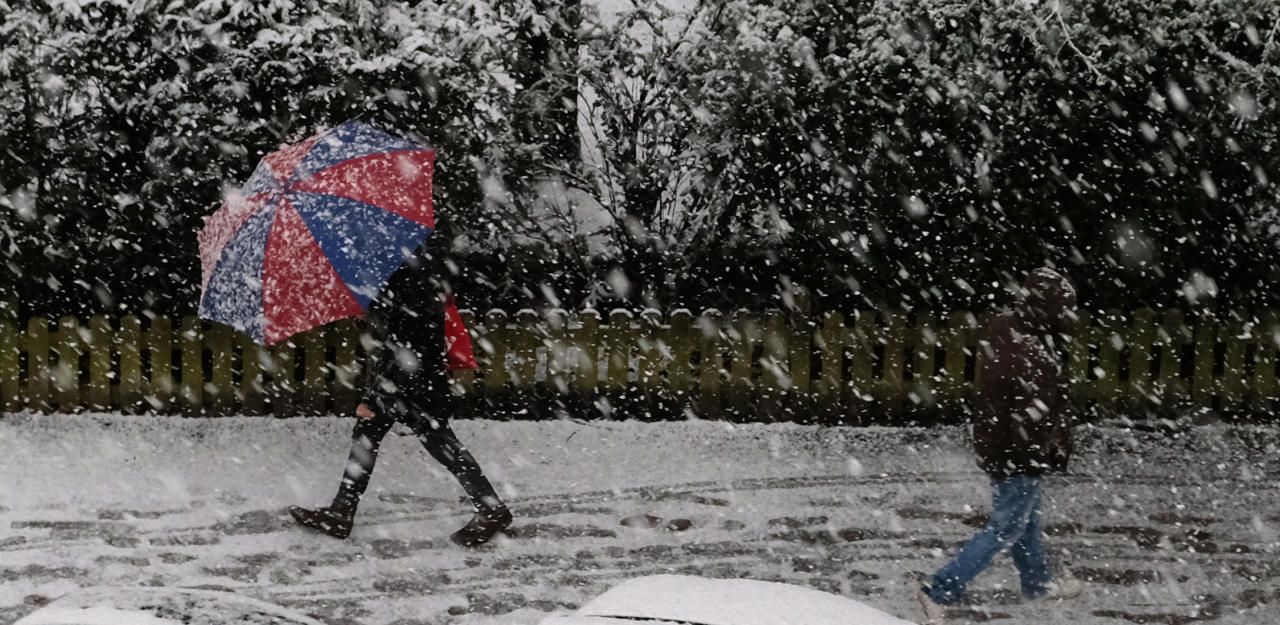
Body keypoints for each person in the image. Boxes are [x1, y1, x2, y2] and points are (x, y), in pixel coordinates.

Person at [289, 241, 513, 547]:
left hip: (412, 381)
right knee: (386, 435)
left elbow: (406, 346)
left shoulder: (405, 278)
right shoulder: (412, 269)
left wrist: (373, 396)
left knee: (436, 441)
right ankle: (342, 511)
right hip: (418, 378)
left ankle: (491, 509)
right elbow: (408, 331)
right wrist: (373, 308)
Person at [917, 267, 1083, 624]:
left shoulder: (1015, 332)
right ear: (1049, 309)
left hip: (1008, 449)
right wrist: (1038, 452)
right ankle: (939, 590)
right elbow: (1032, 413)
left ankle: (1038, 585)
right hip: (1019, 453)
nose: (1070, 316)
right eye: (1064, 309)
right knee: (1005, 528)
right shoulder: (1032, 350)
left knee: (1028, 521)